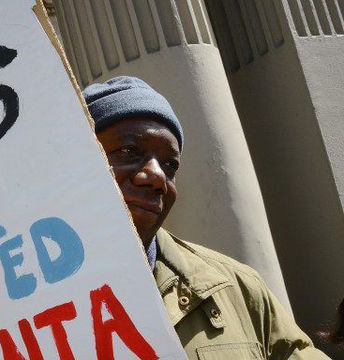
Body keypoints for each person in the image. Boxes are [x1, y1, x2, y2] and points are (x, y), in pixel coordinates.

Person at [83, 76, 330, 359]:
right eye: (129, 151)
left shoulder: (238, 287)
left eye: (169, 165)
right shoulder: (24, 301)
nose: (157, 177)